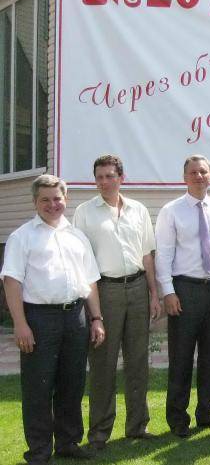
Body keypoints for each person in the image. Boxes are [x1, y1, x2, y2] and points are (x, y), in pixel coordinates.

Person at [1, 174, 105, 464]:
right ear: (35, 202)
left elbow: (90, 281)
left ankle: (68, 443)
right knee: (38, 387)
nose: (52, 204)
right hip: (39, 319)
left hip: (76, 317)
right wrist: (20, 324)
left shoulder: (77, 236)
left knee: (72, 383)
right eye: (45, 199)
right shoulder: (22, 237)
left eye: (57, 198)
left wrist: (96, 318)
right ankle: (39, 451)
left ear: (65, 199)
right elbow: (12, 282)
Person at [73, 155, 160, 449]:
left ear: (121, 178)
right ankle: (99, 433)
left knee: (138, 362)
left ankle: (137, 426)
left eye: (110, 176)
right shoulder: (85, 213)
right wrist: (93, 310)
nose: (104, 182)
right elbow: (83, 262)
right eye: (99, 177)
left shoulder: (138, 210)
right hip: (104, 291)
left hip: (137, 288)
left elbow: (147, 255)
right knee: (103, 364)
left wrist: (153, 294)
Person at [155, 155, 210, 437]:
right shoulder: (171, 211)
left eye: (203, 172)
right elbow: (163, 255)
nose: (199, 176)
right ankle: (178, 419)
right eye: (193, 172)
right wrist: (168, 292)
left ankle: (207, 413)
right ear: (184, 177)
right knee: (181, 359)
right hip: (185, 291)